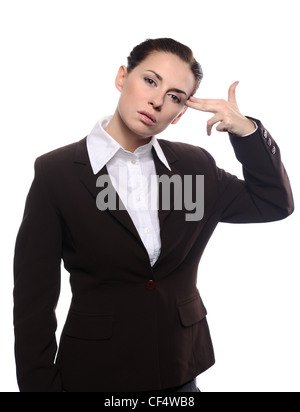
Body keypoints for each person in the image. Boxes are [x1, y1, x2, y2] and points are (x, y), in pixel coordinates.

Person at [13, 38, 294, 392]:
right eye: (150, 81)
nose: (157, 101)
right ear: (121, 77)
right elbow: (32, 303)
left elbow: (273, 202)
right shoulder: (57, 173)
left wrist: (247, 132)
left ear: (178, 115)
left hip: (178, 375)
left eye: (175, 97)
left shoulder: (194, 168)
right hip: (93, 376)